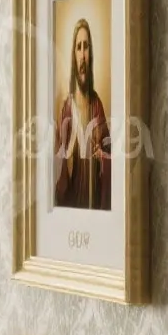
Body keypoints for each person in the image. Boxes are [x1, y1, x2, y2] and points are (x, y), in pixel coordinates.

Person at [54, 18, 111, 210]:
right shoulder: (67, 109)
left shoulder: (98, 106)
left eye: (86, 47)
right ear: (73, 55)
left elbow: (112, 159)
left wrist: (101, 156)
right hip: (72, 207)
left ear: (91, 54)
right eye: (78, 47)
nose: (82, 55)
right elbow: (58, 170)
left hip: (94, 207)